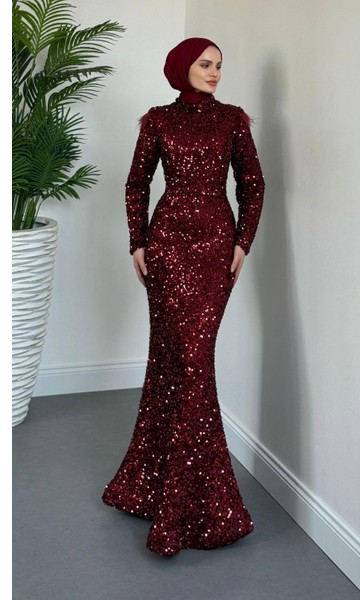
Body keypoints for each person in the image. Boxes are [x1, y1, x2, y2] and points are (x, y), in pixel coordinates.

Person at [102, 37, 265, 557]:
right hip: (168, 247)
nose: (215, 72)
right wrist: (137, 242)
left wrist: (242, 242)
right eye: (205, 64)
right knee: (172, 361)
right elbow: (136, 183)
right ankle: (151, 486)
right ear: (181, 67)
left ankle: (192, 504)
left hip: (215, 249)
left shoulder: (233, 120)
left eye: (219, 65)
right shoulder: (157, 120)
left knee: (194, 360)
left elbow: (253, 184)